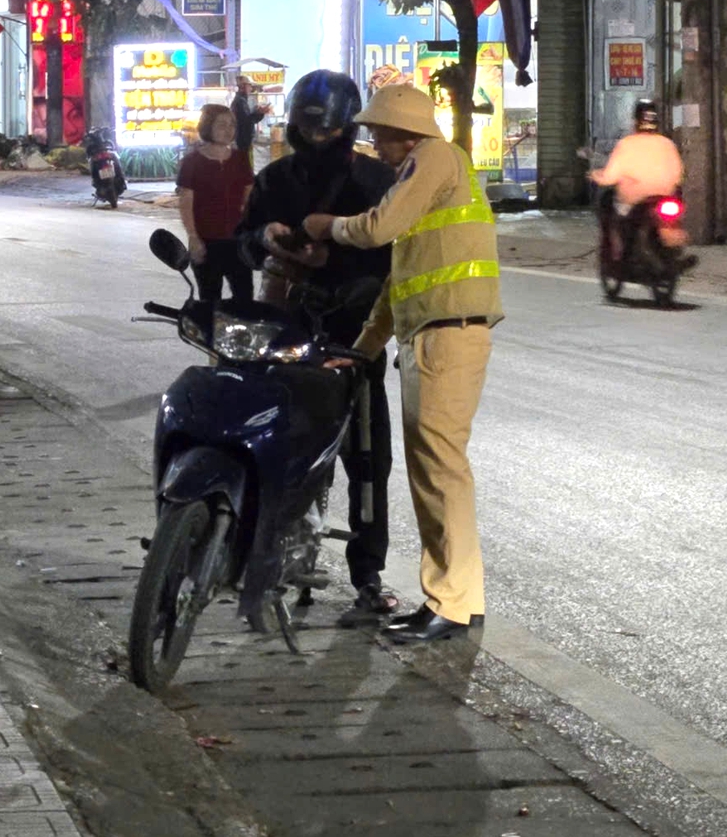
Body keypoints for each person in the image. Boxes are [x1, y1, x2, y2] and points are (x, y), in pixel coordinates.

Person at [303, 83, 501, 646]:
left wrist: (327, 225)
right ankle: (459, 597)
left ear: (402, 132)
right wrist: (364, 347)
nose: (375, 146)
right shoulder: (434, 173)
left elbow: (376, 229)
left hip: (446, 336)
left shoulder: (432, 158)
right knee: (438, 471)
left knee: (440, 472)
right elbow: (402, 280)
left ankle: (451, 605)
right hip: (435, 334)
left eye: (378, 134)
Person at [237, 70, 400, 616]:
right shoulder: (275, 179)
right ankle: (268, 555)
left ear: (346, 128)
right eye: (307, 130)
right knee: (276, 443)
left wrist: (336, 261)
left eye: (326, 131)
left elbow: (393, 252)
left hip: (354, 330)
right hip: (285, 326)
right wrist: (264, 240)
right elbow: (242, 241)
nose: (316, 139)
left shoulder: (377, 181)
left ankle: (367, 573)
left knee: (367, 455)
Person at [177, 104, 256, 304]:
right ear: (207, 127)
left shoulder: (240, 159)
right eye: (222, 125)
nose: (228, 130)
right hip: (207, 242)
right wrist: (193, 237)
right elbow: (186, 202)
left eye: (232, 125)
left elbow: (249, 196)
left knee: (245, 299)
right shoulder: (192, 162)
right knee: (210, 301)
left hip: (238, 242)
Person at [589, 99, 684, 262]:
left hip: (633, 201)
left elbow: (611, 176)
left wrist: (597, 176)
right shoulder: (667, 144)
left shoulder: (627, 144)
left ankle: (617, 256)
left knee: (612, 213)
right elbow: (678, 174)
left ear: (635, 121)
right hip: (664, 199)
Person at [230, 74, 268, 165]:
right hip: (243, 140)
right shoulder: (240, 102)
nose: (251, 89)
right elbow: (247, 121)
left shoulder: (240, 101)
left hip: (243, 140)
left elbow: (247, 119)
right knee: (245, 163)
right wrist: (259, 113)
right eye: (249, 86)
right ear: (243, 87)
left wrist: (259, 113)